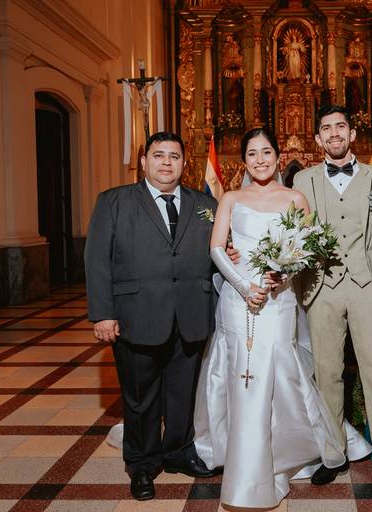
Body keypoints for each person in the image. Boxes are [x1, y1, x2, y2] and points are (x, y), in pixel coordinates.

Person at [193, 128, 346, 508]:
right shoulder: (231, 198)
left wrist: (283, 276)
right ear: (243, 160)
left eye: (266, 152)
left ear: (278, 157)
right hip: (238, 299)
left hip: (279, 301)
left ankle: (283, 448)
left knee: (279, 370)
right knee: (242, 372)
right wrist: (244, 286)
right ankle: (243, 460)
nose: (259, 160)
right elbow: (216, 248)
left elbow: (307, 250)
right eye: (252, 154)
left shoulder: (295, 198)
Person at [85, 132, 219, 501]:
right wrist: (103, 314)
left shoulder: (204, 203)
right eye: (158, 155)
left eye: (174, 156)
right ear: (144, 161)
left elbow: (216, 253)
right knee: (140, 397)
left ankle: (178, 452)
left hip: (190, 313)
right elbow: (97, 260)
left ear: (184, 163)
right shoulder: (114, 201)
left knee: (182, 393)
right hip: (135, 315)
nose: (166, 163)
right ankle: (142, 464)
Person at [293, 104, 372, 503]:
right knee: (327, 374)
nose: (334, 133)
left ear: (352, 134)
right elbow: (292, 232)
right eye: (326, 128)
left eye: (340, 126)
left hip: (367, 286)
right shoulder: (303, 180)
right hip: (322, 287)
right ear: (317, 138)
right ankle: (333, 454)